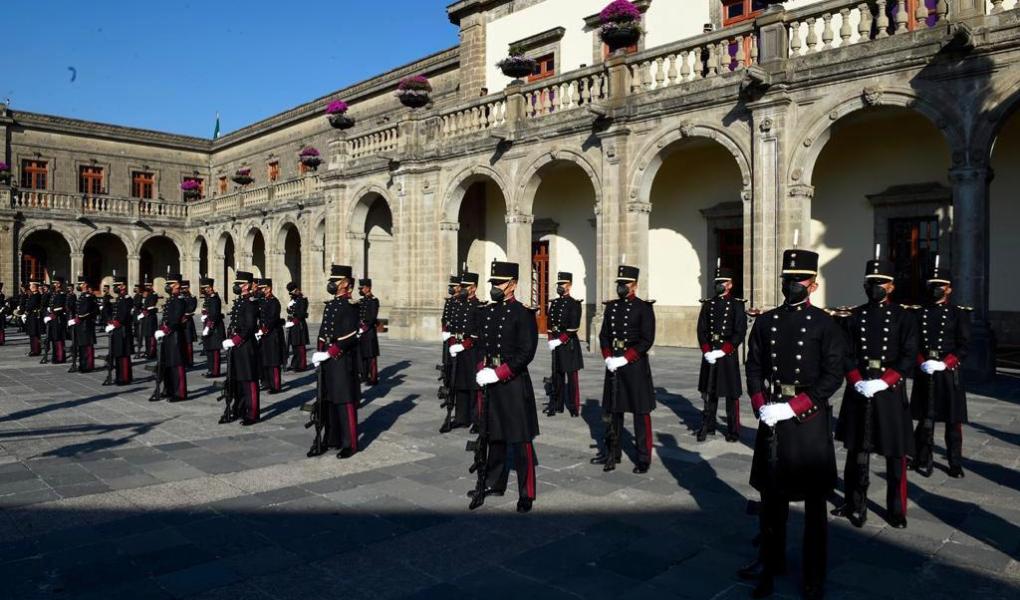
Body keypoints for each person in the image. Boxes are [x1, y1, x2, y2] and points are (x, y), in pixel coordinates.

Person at [740, 249, 847, 600]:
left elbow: (833, 375)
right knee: (771, 498)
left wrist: (795, 406)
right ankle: (770, 562)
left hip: (807, 420)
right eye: (788, 279)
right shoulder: (767, 321)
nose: (792, 285)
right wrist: (760, 404)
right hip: (773, 415)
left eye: (799, 279)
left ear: (813, 284)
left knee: (814, 504)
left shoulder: (825, 324)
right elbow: (753, 366)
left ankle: (814, 574)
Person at [469, 261, 540, 513]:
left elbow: (526, 352)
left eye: (500, 283)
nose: (495, 287)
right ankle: (494, 482)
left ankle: (526, 492)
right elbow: (481, 344)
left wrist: (499, 373)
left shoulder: (523, 313)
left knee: (520, 439)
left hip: (512, 382)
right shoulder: (487, 312)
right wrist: (482, 369)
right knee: (494, 435)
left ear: (513, 284)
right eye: (493, 283)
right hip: (491, 381)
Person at [909, 261, 971, 479]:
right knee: (925, 419)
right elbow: (913, 343)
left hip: (948, 373)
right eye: (932, 285)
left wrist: (946, 363)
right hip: (926, 370)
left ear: (949, 289)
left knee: (953, 421)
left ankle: (955, 462)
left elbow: (964, 345)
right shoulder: (919, 313)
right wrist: (921, 362)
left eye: (940, 285)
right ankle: (921, 457)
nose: (935, 289)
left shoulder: (958, 314)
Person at [593, 265, 657, 474]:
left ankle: (644, 457)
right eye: (619, 283)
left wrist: (625, 358)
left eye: (625, 283)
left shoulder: (644, 308)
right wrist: (608, 357)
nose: (621, 287)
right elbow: (604, 336)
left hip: (635, 366)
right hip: (614, 364)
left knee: (640, 412)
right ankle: (613, 452)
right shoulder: (612, 307)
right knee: (614, 411)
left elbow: (646, 340)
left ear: (634, 285)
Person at [309, 265, 362, 458]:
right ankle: (331, 438)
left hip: (341, 359)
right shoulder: (330, 305)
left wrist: (330, 352)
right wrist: (319, 352)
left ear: (345, 283)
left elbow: (350, 336)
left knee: (344, 400)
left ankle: (350, 443)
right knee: (328, 399)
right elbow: (323, 332)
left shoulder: (350, 306)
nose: (331, 283)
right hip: (328, 360)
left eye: (335, 280)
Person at [696, 265, 747, 442]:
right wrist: (707, 351)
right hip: (710, 353)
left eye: (723, 282)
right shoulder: (708, 304)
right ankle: (709, 425)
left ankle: (733, 430)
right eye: (717, 282)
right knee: (710, 391)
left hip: (727, 355)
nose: (719, 285)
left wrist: (723, 351)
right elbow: (701, 330)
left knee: (731, 394)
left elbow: (739, 331)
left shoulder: (737, 305)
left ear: (730, 285)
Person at [445, 271, 484, 433]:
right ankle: (461, 418)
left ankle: (477, 420)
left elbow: (477, 333)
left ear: (473, 288)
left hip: (472, 351)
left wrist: (464, 345)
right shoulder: (458, 305)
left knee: (474, 386)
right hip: (458, 348)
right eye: (461, 286)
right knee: (459, 383)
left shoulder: (479, 306)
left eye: (465, 287)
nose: (462, 289)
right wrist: (453, 342)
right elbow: (453, 327)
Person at [222, 271, 262, 425]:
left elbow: (250, 326)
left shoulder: (250, 303)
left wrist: (236, 340)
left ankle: (252, 413)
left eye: (240, 284)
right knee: (237, 379)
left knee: (248, 380)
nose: (237, 286)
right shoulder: (240, 302)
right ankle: (238, 409)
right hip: (236, 346)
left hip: (246, 346)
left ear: (247, 285)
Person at [544, 272, 584, 418]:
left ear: (569, 285)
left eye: (563, 284)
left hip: (569, 344)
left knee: (572, 378)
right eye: (559, 284)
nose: (560, 286)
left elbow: (573, 327)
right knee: (557, 375)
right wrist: (551, 339)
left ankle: (574, 407)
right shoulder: (554, 303)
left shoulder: (574, 304)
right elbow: (550, 324)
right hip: (556, 343)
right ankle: (558, 404)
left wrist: (559, 340)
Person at [154, 273, 188, 401]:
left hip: (175, 336)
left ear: (177, 285)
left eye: (170, 284)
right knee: (167, 363)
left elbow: (176, 320)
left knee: (177, 364)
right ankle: (168, 389)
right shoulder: (171, 299)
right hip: (168, 336)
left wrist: (165, 330)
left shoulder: (179, 300)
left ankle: (180, 393)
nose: (168, 286)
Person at [104, 274, 134, 385]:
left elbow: (124, 315)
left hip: (123, 330)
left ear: (123, 286)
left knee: (123, 354)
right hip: (118, 330)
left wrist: (115, 323)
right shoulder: (119, 298)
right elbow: (115, 313)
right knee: (117, 353)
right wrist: (110, 320)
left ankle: (124, 377)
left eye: (117, 285)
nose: (115, 287)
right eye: (115, 285)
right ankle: (119, 376)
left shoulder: (127, 298)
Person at [257, 279, 285, 394]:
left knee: (273, 360)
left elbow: (272, 319)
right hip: (263, 334)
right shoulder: (263, 300)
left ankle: (276, 385)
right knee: (264, 358)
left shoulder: (274, 302)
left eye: (262, 288)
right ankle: (266, 382)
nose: (260, 290)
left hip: (272, 334)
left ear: (268, 288)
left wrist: (264, 330)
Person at [71, 275, 98, 373]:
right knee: (81, 345)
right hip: (81, 324)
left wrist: (78, 318)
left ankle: (88, 366)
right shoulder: (82, 296)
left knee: (87, 345)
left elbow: (85, 311)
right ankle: (83, 364)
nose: (79, 285)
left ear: (85, 285)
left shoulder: (88, 297)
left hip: (86, 324)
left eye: (80, 284)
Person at [200, 278, 226, 378]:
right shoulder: (208, 298)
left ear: (211, 287)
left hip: (215, 327)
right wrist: (205, 316)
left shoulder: (214, 298)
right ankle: (210, 370)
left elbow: (214, 315)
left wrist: (208, 327)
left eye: (206, 287)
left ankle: (215, 371)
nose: (205, 289)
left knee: (214, 350)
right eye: (204, 288)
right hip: (208, 325)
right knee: (209, 349)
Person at [357, 278, 381, 385]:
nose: (360, 290)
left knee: (371, 356)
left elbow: (372, 317)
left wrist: (364, 328)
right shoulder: (361, 301)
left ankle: (373, 378)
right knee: (362, 354)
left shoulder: (374, 300)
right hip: (361, 332)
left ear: (368, 288)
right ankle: (364, 375)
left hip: (369, 332)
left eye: (362, 288)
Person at [284, 282, 309, 372]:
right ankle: (295, 364)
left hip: (299, 325)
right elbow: (290, 311)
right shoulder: (293, 299)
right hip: (293, 325)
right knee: (294, 345)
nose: (294, 293)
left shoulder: (302, 299)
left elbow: (301, 314)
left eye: (294, 291)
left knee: (300, 346)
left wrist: (293, 321)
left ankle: (302, 365)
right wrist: (289, 308)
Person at [44, 276, 69, 364]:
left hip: (58, 319)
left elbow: (60, 308)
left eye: (56, 283)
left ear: (60, 284)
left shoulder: (61, 294)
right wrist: (49, 310)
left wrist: (52, 314)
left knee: (58, 338)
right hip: (54, 319)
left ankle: (60, 357)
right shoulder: (54, 293)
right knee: (54, 338)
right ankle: (56, 357)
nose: (55, 284)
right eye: (54, 283)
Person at [139, 281, 159, 359]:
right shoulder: (145, 294)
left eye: (149, 286)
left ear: (152, 286)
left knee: (151, 336)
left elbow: (151, 305)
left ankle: (152, 352)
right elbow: (143, 305)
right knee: (146, 335)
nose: (147, 287)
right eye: (146, 286)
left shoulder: (153, 294)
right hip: (146, 318)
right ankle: (147, 351)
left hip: (151, 317)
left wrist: (144, 312)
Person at [180, 281, 198, 367]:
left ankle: (190, 361)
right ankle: (182, 360)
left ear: (188, 288)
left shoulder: (192, 298)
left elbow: (191, 309)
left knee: (188, 342)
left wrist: (184, 315)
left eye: (185, 288)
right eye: (182, 288)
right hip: (179, 322)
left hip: (187, 322)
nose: (183, 290)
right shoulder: (180, 297)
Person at [24, 279, 43, 356]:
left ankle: (35, 350)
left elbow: (31, 305)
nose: (30, 287)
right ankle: (33, 349)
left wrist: (26, 310)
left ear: (35, 286)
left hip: (34, 316)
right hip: (31, 316)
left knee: (34, 333)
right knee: (32, 334)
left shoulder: (37, 295)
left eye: (31, 285)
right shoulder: (33, 295)